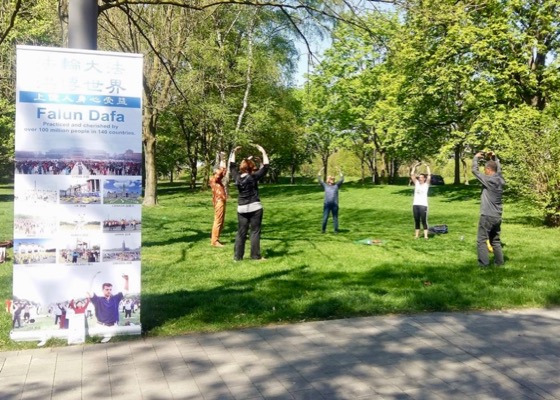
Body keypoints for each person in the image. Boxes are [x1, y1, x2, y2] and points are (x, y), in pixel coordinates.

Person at [229, 144, 269, 261]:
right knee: (255, 232)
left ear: (241, 167)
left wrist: (234, 153)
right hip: (255, 207)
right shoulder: (253, 177)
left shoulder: (237, 177)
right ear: (252, 168)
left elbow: (231, 166)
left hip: (241, 208)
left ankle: (237, 257)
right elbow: (266, 167)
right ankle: (255, 256)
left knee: (241, 232)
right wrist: (263, 151)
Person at [472, 151, 506, 267]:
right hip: (497, 215)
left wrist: (475, 158)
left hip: (487, 215)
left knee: (481, 240)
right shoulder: (500, 179)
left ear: (489, 170)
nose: (484, 172)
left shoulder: (489, 180)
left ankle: (483, 265)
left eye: (485, 170)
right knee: (495, 241)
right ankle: (499, 263)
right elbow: (499, 169)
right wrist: (495, 158)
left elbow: (475, 171)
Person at [318, 168, 344, 233]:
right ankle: (323, 230)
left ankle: (336, 230)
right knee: (325, 218)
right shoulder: (325, 186)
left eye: (333, 179)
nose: (333, 180)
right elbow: (319, 179)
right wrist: (320, 171)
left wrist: (340, 171)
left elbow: (342, 179)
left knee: (335, 218)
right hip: (327, 205)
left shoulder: (336, 186)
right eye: (331, 179)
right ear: (328, 180)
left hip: (335, 205)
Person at [209, 153, 227, 247]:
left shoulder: (217, 179)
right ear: (215, 171)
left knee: (221, 221)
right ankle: (214, 241)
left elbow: (223, 172)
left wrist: (223, 160)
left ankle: (216, 239)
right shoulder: (214, 179)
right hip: (219, 201)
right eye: (218, 170)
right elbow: (221, 172)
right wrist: (222, 159)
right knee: (218, 221)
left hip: (221, 200)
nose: (220, 172)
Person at [410, 162, 431, 239]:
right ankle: (417, 235)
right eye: (419, 177)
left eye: (421, 177)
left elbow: (429, 176)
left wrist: (427, 167)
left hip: (423, 205)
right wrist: (414, 166)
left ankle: (426, 236)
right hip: (415, 204)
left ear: (424, 178)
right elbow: (412, 175)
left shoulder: (426, 185)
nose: (420, 178)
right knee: (416, 220)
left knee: (423, 220)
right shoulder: (417, 184)